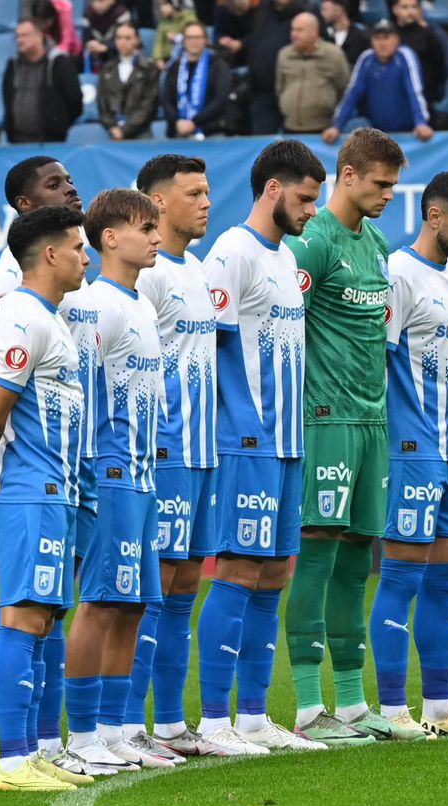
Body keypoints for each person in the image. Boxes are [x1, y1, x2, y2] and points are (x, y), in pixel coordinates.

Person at [195, 141, 331, 752]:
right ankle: (213, 720)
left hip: (287, 441)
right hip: (247, 440)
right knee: (238, 567)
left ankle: (253, 715)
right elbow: (215, 344)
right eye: (304, 198)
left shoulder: (284, 259)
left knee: (275, 570)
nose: (310, 210)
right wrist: (245, 425)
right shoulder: (232, 251)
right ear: (272, 189)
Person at [283, 128, 412, 745]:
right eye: (381, 183)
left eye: (394, 184)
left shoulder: (379, 242)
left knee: (360, 555)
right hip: (325, 417)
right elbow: (282, 330)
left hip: (372, 421)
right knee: (318, 548)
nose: (389, 195)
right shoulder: (312, 243)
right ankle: (310, 706)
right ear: (348, 174)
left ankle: (355, 704)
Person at [0, 205, 90, 792]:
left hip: (54, 490)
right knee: (23, 613)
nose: (87, 256)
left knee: (41, 618)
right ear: (50, 254)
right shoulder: (21, 318)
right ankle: (12, 762)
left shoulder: (49, 317)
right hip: (28, 491)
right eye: (80, 246)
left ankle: (32, 751)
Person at [367, 172, 448, 739]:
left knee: (447, 586)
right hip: (411, 452)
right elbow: (378, 362)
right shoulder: (397, 274)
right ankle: (394, 709)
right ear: (434, 216)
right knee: (400, 579)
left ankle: (440, 708)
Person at [61, 189, 170, 773]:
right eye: (145, 228)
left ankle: (112, 727)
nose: (156, 237)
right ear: (109, 237)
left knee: (132, 604)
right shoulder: (95, 305)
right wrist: (89, 476)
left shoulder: (141, 305)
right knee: (101, 601)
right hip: (108, 474)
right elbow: (76, 394)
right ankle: (80, 737)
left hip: (143, 474)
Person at [123, 155, 223, 758]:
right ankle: (126, 724)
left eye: (208, 191)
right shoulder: (152, 273)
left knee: (185, 585)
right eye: (194, 193)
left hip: (202, 451)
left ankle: (169, 724)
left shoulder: (197, 268)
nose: (206, 202)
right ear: (158, 204)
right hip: (165, 450)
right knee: (153, 589)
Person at [324, 20, 432, 143]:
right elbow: (352, 93)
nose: (382, 43)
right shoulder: (366, 59)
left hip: (407, 131)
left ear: (396, 39)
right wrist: (337, 126)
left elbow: (415, 90)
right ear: (372, 41)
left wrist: (421, 122)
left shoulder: (405, 56)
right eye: (377, 38)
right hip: (377, 134)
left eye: (386, 38)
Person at [3, 18, 84, 144]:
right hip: (18, 144)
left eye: (24, 35)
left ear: (40, 35)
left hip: (52, 144)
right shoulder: (12, 65)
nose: (19, 40)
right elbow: (7, 100)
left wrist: (58, 125)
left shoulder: (60, 63)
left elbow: (75, 101)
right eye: (17, 36)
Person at [277, 12, 350, 134]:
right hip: (290, 127)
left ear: (314, 31)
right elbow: (280, 87)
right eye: (293, 29)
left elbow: (344, 88)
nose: (294, 34)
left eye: (300, 30)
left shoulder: (333, 54)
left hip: (324, 130)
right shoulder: (284, 55)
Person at [247, 0, 311, 135]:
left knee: (295, 150)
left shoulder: (306, 13)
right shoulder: (262, 10)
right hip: (261, 91)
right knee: (261, 146)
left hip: (295, 94)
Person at [161, 21, 235, 138]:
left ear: (205, 40)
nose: (194, 41)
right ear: (184, 41)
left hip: (211, 131)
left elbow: (220, 99)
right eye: (189, 37)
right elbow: (167, 101)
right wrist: (177, 121)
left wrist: (194, 122)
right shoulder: (174, 67)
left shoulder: (218, 65)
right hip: (179, 131)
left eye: (198, 37)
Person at [99, 22, 162, 140]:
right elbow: (102, 104)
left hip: (141, 131)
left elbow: (149, 105)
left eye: (128, 38)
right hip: (113, 132)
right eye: (119, 38)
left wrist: (125, 130)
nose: (123, 42)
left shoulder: (149, 68)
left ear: (137, 40)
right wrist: (112, 127)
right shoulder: (107, 69)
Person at [392, 0, 448, 107]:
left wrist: (430, 92)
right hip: (394, 97)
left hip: (424, 96)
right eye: (405, 7)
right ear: (395, 9)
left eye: (414, 7)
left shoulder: (429, 35)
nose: (410, 11)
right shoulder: (389, 35)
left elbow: (441, 68)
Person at [82, 0, 133, 71]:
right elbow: (85, 40)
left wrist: (106, 47)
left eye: (101, 1)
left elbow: (125, 43)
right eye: (93, 1)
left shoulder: (121, 13)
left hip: (116, 54)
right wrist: (91, 45)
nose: (96, 4)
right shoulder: (88, 12)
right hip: (96, 54)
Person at [322, 0, 371, 67]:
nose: (322, 13)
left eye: (325, 9)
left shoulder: (361, 37)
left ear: (338, 10)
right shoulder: (325, 36)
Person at [154, 0, 199, 67]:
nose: (161, 8)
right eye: (160, 5)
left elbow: (195, 36)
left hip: (186, 56)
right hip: (167, 58)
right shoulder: (163, 23)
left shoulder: (189, 17)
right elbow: (158, 42)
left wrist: (177, 37)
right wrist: (158, 59)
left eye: (164, 4)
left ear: (174, 4)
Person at [214, 0, 257, 68]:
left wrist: (242, 43)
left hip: (251, 55)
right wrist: (222, 39)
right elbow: (218, 30)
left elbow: (260, 33)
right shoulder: (221, 7)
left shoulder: (259, 7)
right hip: (229, 56)